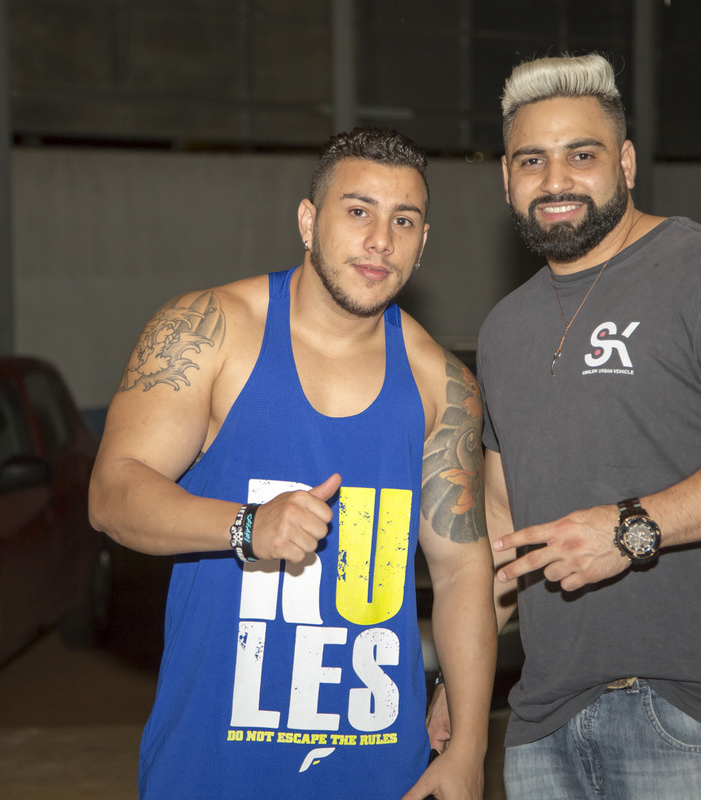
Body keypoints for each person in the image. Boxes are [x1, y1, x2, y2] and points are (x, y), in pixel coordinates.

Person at [427, 54, 701, 798]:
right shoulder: (503, 330)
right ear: (506, 181)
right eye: (532, 160)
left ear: (625, 162)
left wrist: (631, 530)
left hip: (697, 719)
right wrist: (461, 686)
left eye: (581, 155)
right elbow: (500, 530)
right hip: (541, 726)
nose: (555, 180)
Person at [89, 127, 497, 800]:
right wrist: (248, 525)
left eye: (404, 221)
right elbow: (112, 495)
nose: (380, 240)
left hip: (380, 771)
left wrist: (470, 749)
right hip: (213, 767)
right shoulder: (208, 330)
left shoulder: (443, 384)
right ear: (308, 221)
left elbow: (462, 570)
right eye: (358, 211)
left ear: (422, 243)